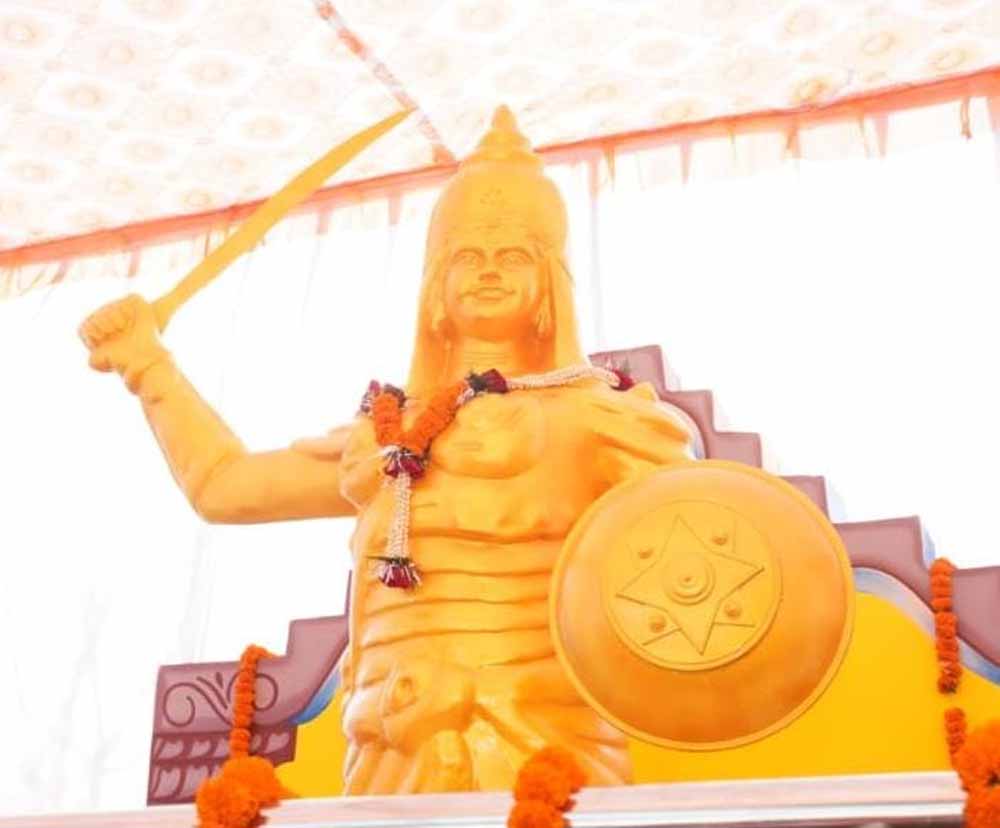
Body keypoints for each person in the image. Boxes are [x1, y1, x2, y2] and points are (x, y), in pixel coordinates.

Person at [79, 106, 692, 794]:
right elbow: (225, 487)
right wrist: (148, 367)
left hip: (544, 753)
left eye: (515, 256)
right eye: (467, 257)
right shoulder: (384, 434)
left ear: (552, 284)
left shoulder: (600, 419)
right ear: (435, 290)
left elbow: (705, 557)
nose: (489, 272)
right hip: (387, 754)